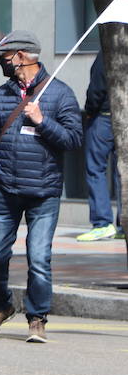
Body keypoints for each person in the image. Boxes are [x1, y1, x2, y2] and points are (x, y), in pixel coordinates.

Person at [0, 30, 83, 344]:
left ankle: (37, 318)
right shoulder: (1, 95)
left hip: (44, 190)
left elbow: (74, 140)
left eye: (5, 57)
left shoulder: (60, 93)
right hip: (5, 190)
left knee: (39, 258)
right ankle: (1, 306)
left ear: (22, 57)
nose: (1, 62)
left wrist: (42, 120)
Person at [77, 51, 119, 241]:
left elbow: (97, 88)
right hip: (124, 118)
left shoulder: (107, 53)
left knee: (95, 170)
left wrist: (89, 111)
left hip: (104, 117)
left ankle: (102, 223)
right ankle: (123, 225)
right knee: (124, 173)